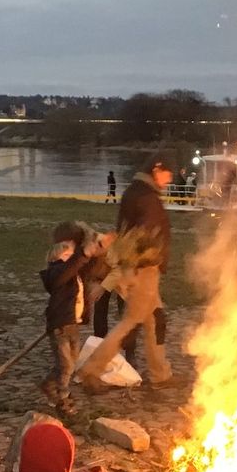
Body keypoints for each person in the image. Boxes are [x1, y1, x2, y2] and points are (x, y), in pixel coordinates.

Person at [77, 161, 173, 388]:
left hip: (140, 267)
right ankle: (92, 370)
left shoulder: (136, 191)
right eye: (168, 174)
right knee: (130, 322)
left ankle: (161, 374)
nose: (169, 180)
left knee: (155, 320)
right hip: (143, 268)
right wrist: (150, 257)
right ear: (157, 169)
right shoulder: (146, 197)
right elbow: (145, 233)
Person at [39, 235, 95, 417]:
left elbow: (86, 266)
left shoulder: (75, 275)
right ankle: (63, 400)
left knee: (69, 363)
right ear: (57, 257)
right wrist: (79, 256)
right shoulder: (56, 274)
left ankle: (48, 384)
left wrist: (94, 248)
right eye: (68, 254)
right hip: (60, 325)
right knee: (66, 366)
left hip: (73, 325)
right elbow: (66, 271)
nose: (72, 257)